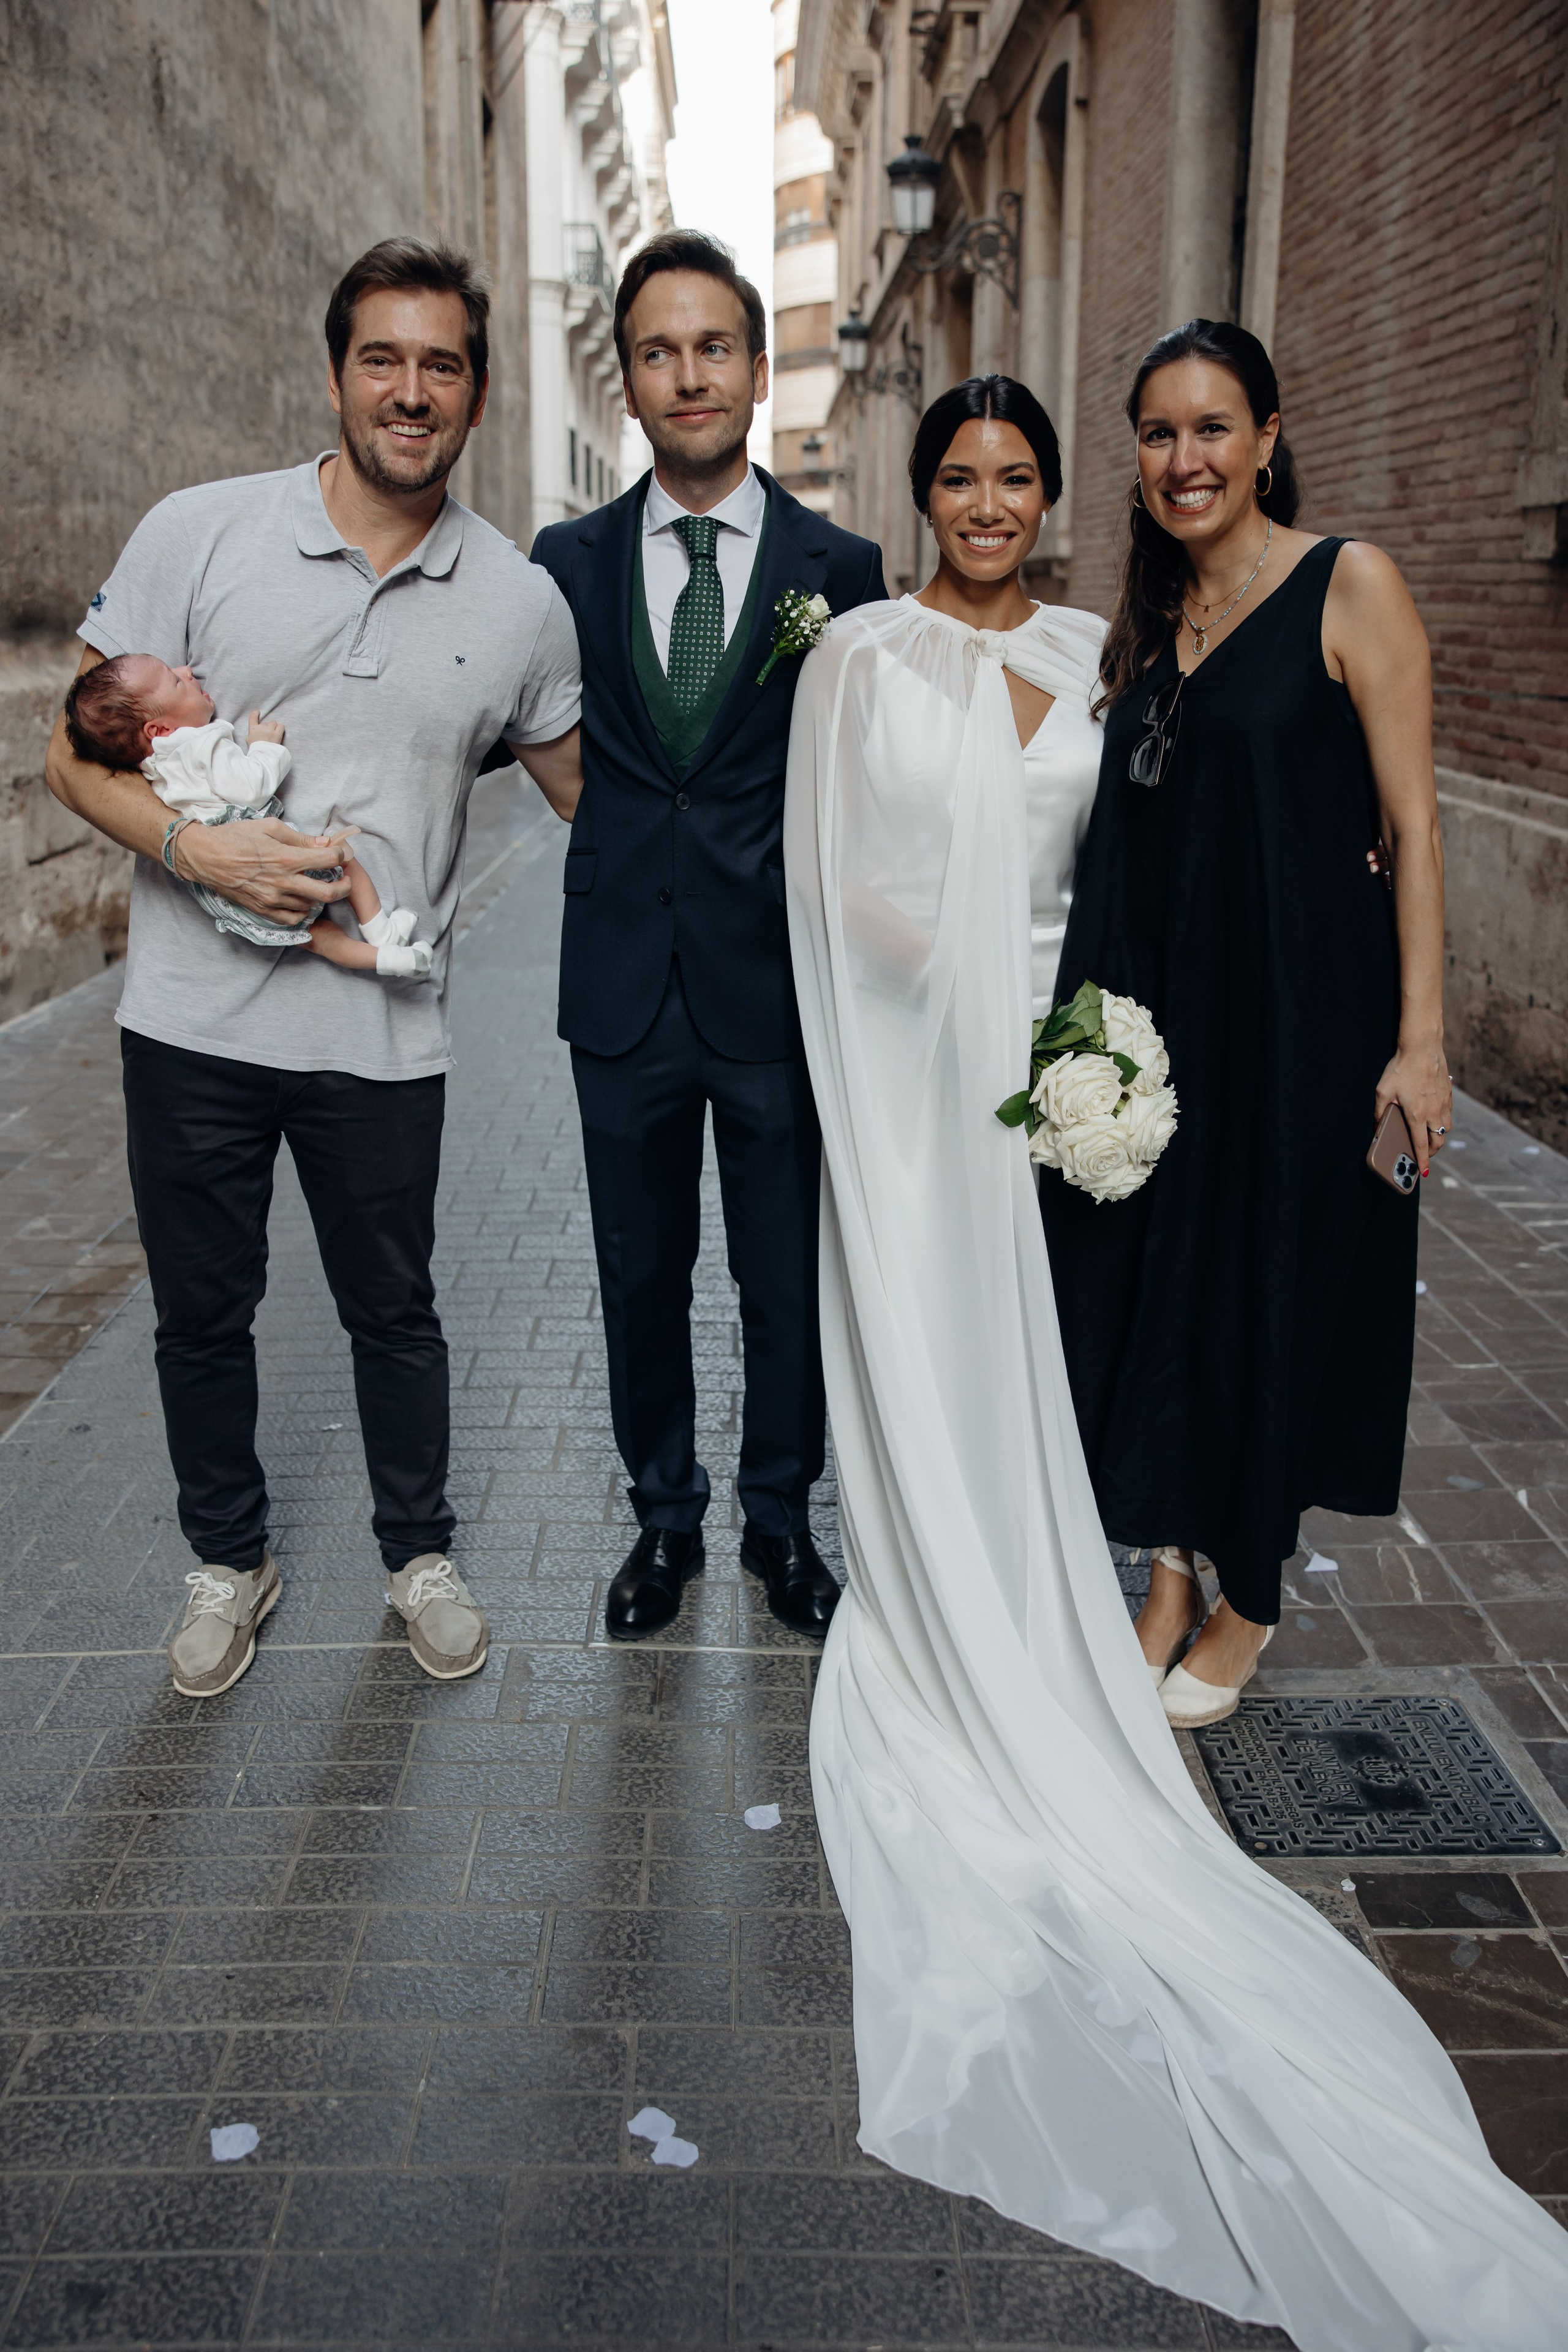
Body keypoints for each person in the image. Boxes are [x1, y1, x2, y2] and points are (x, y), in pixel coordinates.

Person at [785, 374, 1568, 2350]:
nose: (987, 498)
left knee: (1179, 1324)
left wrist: (1378, 1032)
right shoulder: (887, 658)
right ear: (924, 494)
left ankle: (1194, 1585)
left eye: (1017, 472)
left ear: (1063, 495)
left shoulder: (1116, 644)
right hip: (936, 1083)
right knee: (1064, 1357)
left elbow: (1308, 827)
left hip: (1101, 1064)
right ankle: (1091, 1576)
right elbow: (840, 891)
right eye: (955, 475)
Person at [44, 237, 584, 1697]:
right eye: (382, 359)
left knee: (393, 1309)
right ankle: (231, 1558)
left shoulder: (519, 602)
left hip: (380, 1034)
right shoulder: (197, 533)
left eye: (442, 365)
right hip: (192, 1024)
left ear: (478, 391)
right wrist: (197, 850)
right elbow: (65, 759)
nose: (410, 392)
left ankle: (419, 1553)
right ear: (339, 371)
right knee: (199, 1315)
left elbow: (594, 800)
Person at [1040, 318, 1447, 1728]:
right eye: (1157, 433)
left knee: (1272, 1295)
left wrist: (1419, 1039)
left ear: (1267, 438)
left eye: (1211, 427)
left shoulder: (1348, 585)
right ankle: (1163, 1567)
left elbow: (1412, 825)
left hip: (1304, 1027)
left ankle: (1250, 1598)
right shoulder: (1151, 621)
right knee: (1158, 1284)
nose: (1184, 457)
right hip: (1169, 1030)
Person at [531, 230, 886, 1641]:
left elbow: (878, 774)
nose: (688, 374)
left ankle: (778, 1525)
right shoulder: (560, 564)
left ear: (755, 366)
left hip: (777, 989)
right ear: (626, 379)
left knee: (779, 1277)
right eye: (657, 350)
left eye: (713, 346)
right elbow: (535, 738)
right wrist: (621, 849)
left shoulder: (838, 566)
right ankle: (662, 1522)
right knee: (637, 1270)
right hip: (619, 989)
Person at [62, 654, 432, 974]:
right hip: (268, 854)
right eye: (176, 681)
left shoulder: (153, 766)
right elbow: (249, 789)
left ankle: (388, 960)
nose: (187, 671)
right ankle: (381, 932)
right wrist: (263, 749)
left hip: (230, 898)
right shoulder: (198, 745)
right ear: (160, 729)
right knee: (345, 860)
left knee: (320, 939)